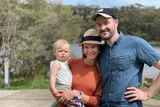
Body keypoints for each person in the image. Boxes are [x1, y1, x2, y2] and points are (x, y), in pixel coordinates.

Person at [91, 8, 160, 107]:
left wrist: (148, 93)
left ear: (116, 22)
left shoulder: (135, 44)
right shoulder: (99, 50)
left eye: (106, 23)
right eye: (99, 24)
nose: (102, 27)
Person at [57, 29, 103, 107]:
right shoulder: (71, 63)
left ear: (99, 49)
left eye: (93, 47)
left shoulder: (101, 71)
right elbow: (56, 78)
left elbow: (96, 101)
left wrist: (77, 94)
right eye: (86, 47)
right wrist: (58, 96)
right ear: (83, 49)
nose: (90, 50)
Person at [50, 39, 84, 107]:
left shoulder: (65, 62)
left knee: (63, 102)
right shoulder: (56, 64)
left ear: (69, 53)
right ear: (55, 53)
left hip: (67, 87)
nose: (63, 53)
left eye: (66, 51)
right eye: (60, 51)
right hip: (61, 86)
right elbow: (52, 76)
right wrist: (53, 88)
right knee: (71, 102)